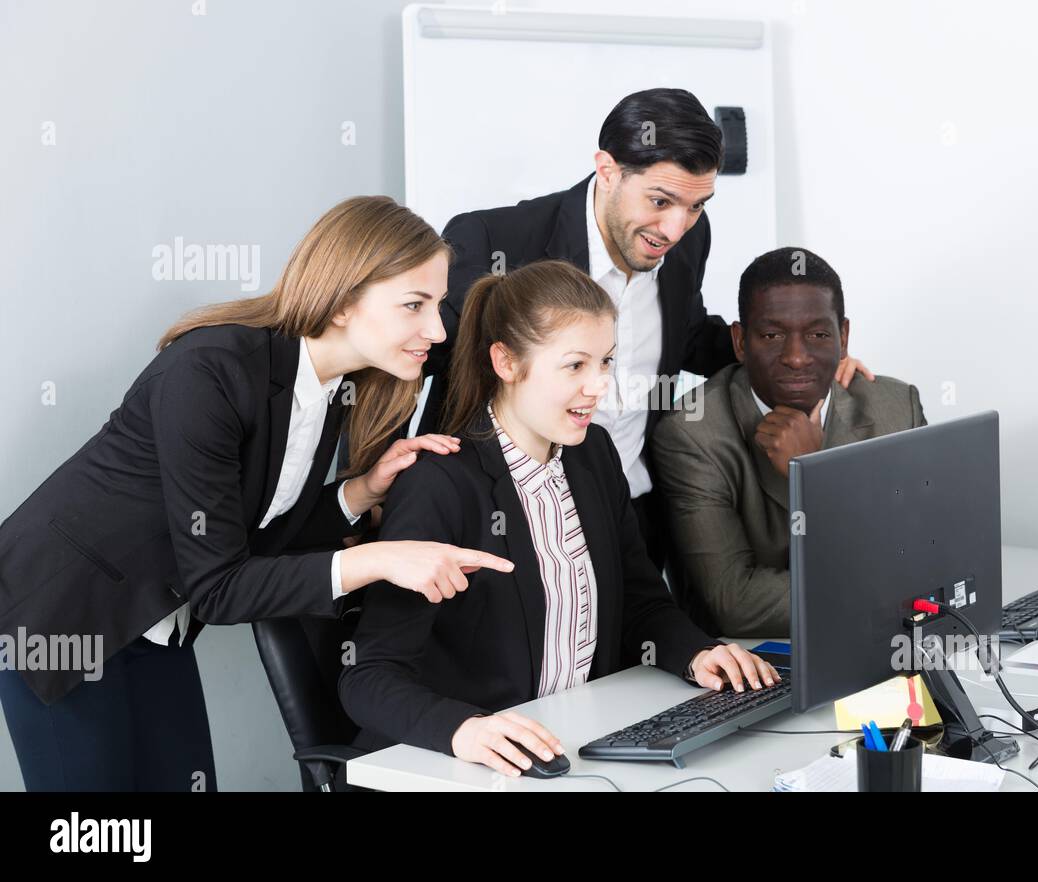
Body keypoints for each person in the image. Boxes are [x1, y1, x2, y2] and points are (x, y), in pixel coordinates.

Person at [0, 196, 513, 791]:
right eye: (414, 305)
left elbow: (253, 535)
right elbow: (219, 586)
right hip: (63, 614)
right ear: (345, 300)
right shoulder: (210, 372)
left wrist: (357, 493)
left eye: (437, 304)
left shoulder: (324, 388)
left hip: (155, 619)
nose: (438, 329)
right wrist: (378, 560)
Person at [339, 260, 779, 778]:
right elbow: (368, 677)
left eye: (606, 362)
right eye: (575, 366)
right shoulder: (441, 483)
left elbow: (640, 603)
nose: (599, 387)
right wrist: (466, 729)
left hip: (576, 745)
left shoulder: (592, 452)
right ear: (505, 362)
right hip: (469, 767)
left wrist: (696, 654)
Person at [413, 87, 873, 568]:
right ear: (607, 170)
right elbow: (416, 355)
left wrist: (809, 360)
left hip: (629, 514)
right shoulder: (496, 239)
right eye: (660, 200)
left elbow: (687, 335)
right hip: (505, 516)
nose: (675, 230)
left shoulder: (688, 240)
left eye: (696, 206)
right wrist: (380, 481)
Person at [653, 247, 927, 637]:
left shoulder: (896, 408)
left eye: (817, 334)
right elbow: (734, 602)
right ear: (740, 341)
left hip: (883, 647)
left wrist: (818, 471)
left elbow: (923, 553)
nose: (796, 358)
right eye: (772, 335)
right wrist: (889, 589)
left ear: (843, 336)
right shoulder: (691, 435)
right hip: (753, 665)